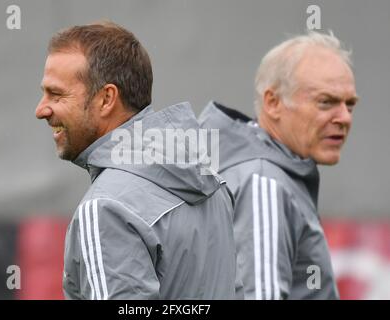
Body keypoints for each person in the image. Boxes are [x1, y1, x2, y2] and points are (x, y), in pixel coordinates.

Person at [35, 21, 237, 299]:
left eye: (56, 94)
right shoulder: (213, 182)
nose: (41, 109)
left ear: (107, 99)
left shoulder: (106, 207)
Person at [199, 31, 358, 299]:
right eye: (326, 102)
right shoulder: (264, 182)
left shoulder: (262, 173)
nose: (344, 117)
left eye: (350, 104)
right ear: (273, 102)